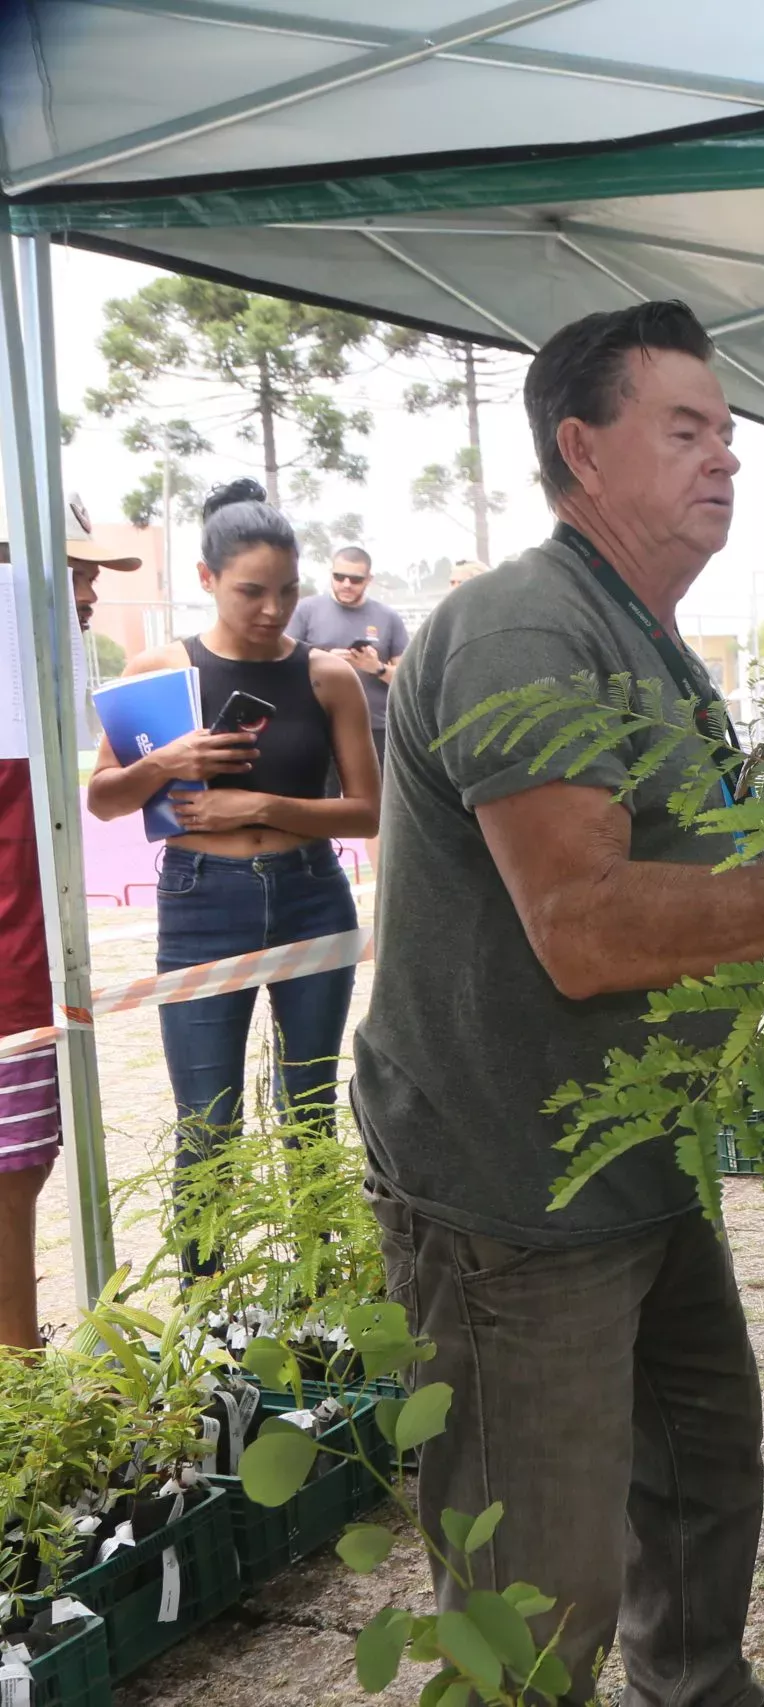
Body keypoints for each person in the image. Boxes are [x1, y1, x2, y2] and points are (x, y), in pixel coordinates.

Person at [356, 301, 764, 1707]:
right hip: (516, 1188)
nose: (727, 460)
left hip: (636, 1159)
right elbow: (579, 925)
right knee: (536, 1585)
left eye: (731, 436)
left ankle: (696, 1687)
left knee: (704, 1461)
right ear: (581, 448)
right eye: (685, 429)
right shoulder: (524, 625)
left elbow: (693, 871)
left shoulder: (644, 634)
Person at [88, 482, 377, 1163]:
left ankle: (318, 1273)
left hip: (313, 891)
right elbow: (103, 799)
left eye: (287, 589)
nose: (273, 609)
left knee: (309, 1116)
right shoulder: (161, 670)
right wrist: (171, 760)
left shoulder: (327, 676)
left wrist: (258, 806)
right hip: (201, 901)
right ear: (206, 579)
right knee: (208, 1127)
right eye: (251, 590)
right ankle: (205, 1273)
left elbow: (367, 812)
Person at [1, 496, 140, 1346]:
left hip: (32, 968)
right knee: (12, 1175)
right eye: (76, 573)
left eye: (91, 576)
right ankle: (18, 1388)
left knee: (26, 1164)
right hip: (13, 978)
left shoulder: (44, 682)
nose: (89, 594)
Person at [285, 544, 408, 770]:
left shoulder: (388, 617)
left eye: (355, 579)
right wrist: (325, 660)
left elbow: (407, 680)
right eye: (339, 577)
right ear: (330, 573)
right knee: (322, 797)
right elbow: (283, 665)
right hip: (318, 720)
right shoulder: (305, 610)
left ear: (369, 579)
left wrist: (377, 667)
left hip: (376, 725)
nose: (346, 584)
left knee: (378, 798)